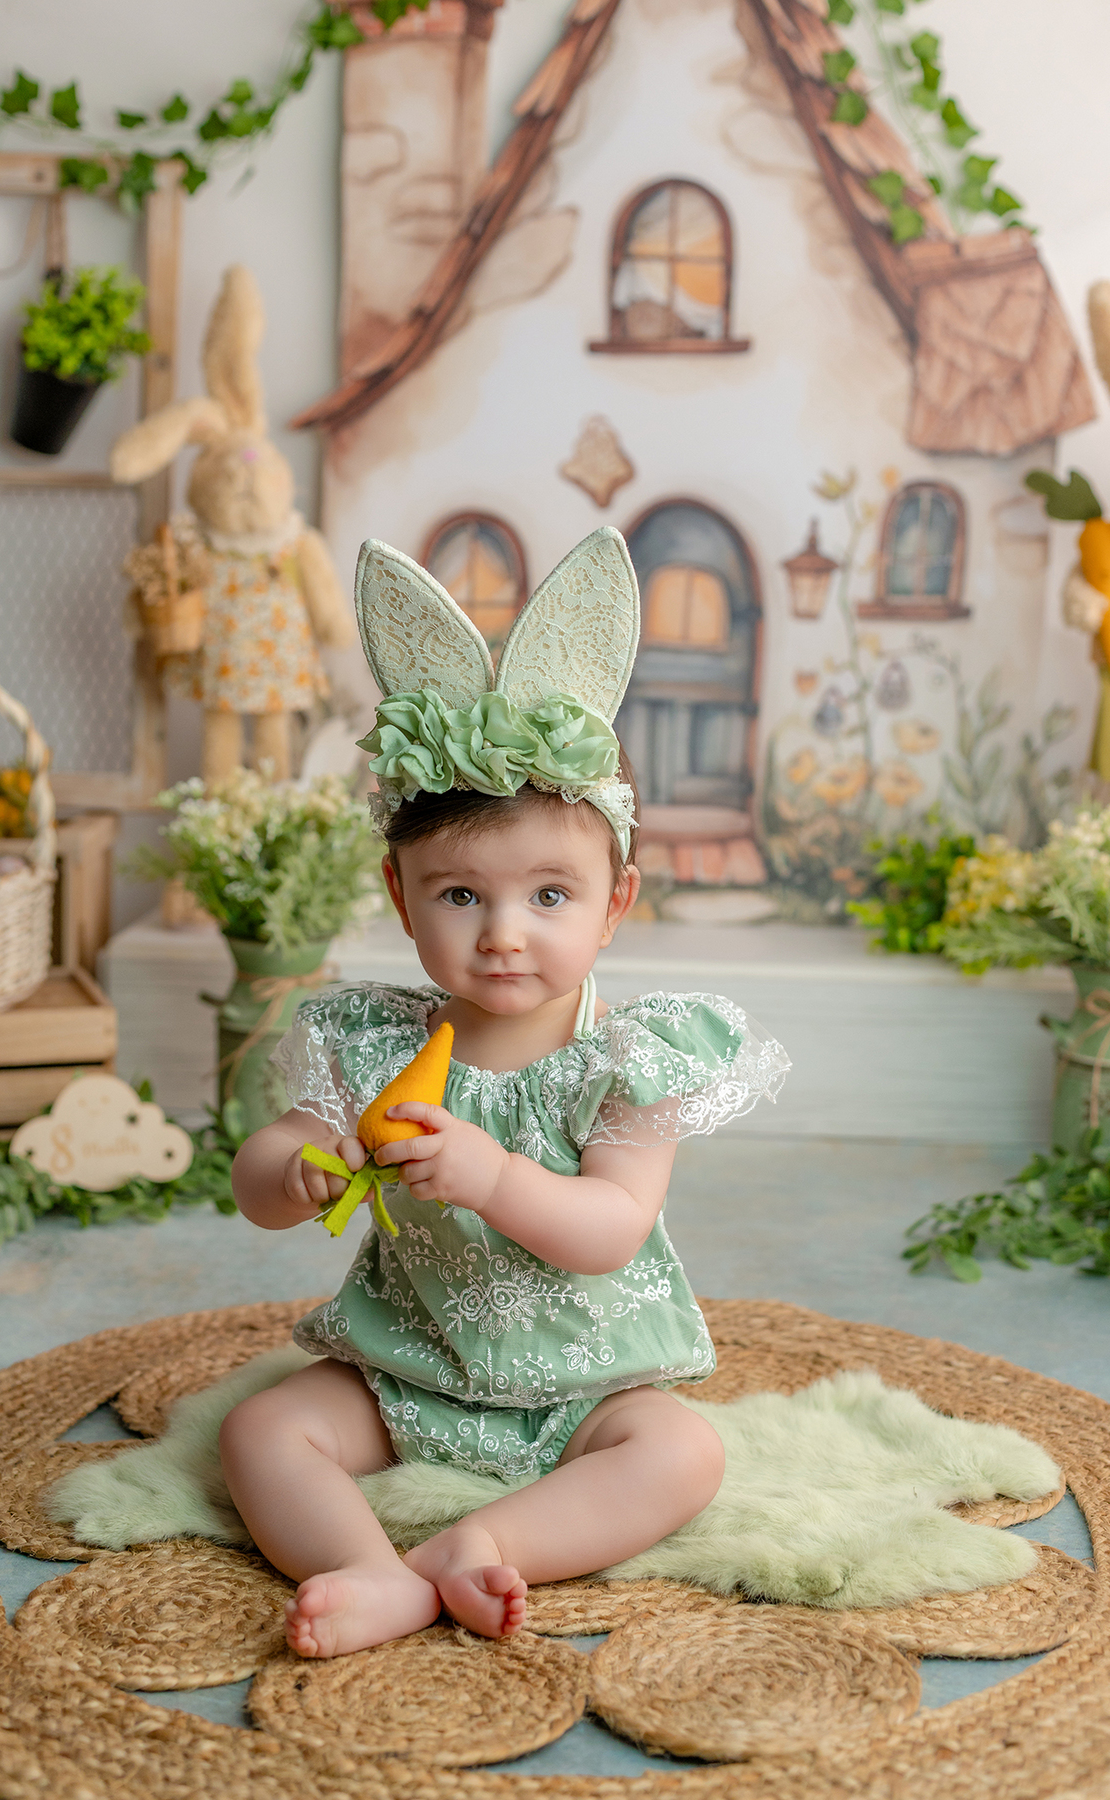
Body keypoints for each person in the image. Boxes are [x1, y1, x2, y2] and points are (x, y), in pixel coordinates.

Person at [222, 529, 789, 1660]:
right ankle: (365, 1570)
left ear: (614, 902)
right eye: (460, 895)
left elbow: (611, 1228)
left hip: (586, 1386)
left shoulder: (627, 1059)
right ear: (401, 898)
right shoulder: (373, 1041)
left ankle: (471, 1548)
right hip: (407, 1366)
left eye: (549, 895)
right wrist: (300, 1171)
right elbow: (257, 1176)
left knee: (683, 1454)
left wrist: (489, 1175)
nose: (503, 934)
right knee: (261, 1430)